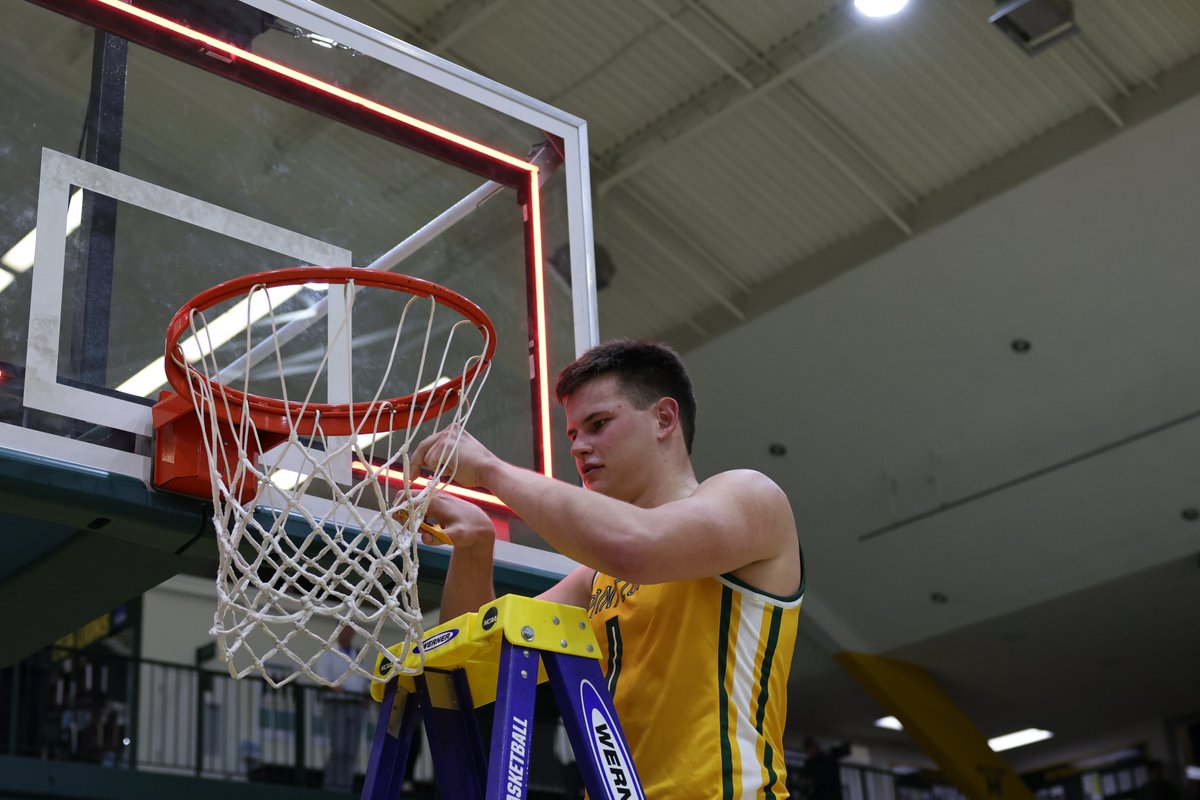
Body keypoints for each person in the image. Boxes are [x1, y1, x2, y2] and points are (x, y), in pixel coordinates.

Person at [411, 339, 804, 798]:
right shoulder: (595, 579)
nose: (579, 447)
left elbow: (636, 545)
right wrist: (475, 545)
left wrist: (492, 471)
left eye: (598, 424)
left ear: (664, 419)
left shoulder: (750, 495)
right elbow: (475, 669)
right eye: (573, 435)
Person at [316, 625, 369, 792]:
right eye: (345, 629)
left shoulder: (357, 652)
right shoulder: (330, 650)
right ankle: (332, 786)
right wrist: (334, 687)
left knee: (351, 749)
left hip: (356, 704)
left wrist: (366, 695)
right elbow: (321, 674)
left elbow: (362, 679)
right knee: (338, 747)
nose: (347, 632)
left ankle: (345, 787)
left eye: (350, 629)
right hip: (337, 703)